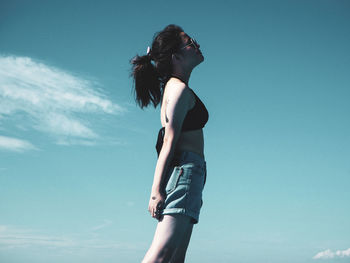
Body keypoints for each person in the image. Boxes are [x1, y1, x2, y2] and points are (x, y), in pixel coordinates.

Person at [130, 24, 209, 263]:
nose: (195, 44)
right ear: (176, 56)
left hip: (191, 172)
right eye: (189, 42)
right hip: (185, 172)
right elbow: (169, 141)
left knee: (175, 257)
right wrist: (155, 191)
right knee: (163, 253)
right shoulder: (178, 90)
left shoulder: (177, 89)